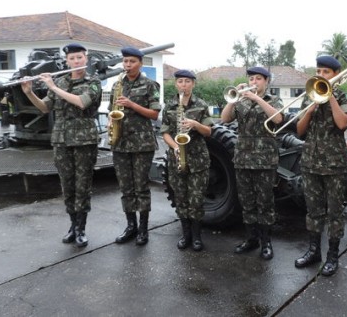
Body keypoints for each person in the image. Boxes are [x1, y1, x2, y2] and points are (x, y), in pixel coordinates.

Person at [21, 43, 102, 248]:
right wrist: (29, 92)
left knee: (82, 185)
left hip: (84, 141)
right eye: (72, 59)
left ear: (86, 59)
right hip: (61, 140)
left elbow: (82, 102)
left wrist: (53, 87)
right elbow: (44, 108)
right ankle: (72, 226)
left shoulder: (93, 82)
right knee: (67, 185)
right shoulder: (60, 81)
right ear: (66, 61)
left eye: (79, 58)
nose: (76, 62)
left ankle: (82, 229)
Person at [293, 56, 347, 276]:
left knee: (335, 213)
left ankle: (332, 255)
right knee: (313, 211)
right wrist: (310, 109)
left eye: (326, 72)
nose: (320, 75)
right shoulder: (309, 97)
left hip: (334, 165)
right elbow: (300, 131)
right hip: (310, 163)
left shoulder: (344, 97)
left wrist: (329, 98)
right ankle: (314, 251)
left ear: (336, 74)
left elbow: (342, 123)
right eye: (318, 71)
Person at [220, 67, 283, 260]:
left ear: (266, 81)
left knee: (265, 203)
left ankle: (266, 242)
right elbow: (224, 118)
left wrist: (257, 99)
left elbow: (279, 119)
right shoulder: (241, 100)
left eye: (258, 79)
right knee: (246, 202)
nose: (254, 81)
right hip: (243, 159)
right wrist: (234, 98)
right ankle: (251, 239)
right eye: (251, 78)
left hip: (264, 160)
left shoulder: (273, 100)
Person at [110, 47, 161, 246]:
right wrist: (110, 122)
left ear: (140, 63)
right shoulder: (118, 84)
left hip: (142, 143)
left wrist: (132, 105)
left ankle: (143, 229)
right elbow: (112, 110)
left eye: (132, 61)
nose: (128, 65)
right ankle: (130, 226)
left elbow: (154, 114)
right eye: (125, 62)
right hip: (121, 143)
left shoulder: (150, 85)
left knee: (141, 187)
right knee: (126, 188)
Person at [161, 70, 213, 251]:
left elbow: (208, 132)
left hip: (198, 159)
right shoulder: (169, 105)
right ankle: (186, 235)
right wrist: (175, 147)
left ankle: (197, 237)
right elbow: (165, 132)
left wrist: (196, 125)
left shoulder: (201, 105)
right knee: (181, 198)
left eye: (187, 81)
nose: (184, 85)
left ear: (193, 84)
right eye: (180, 81)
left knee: (196, 200)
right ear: (176, 84)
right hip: (176, 158)